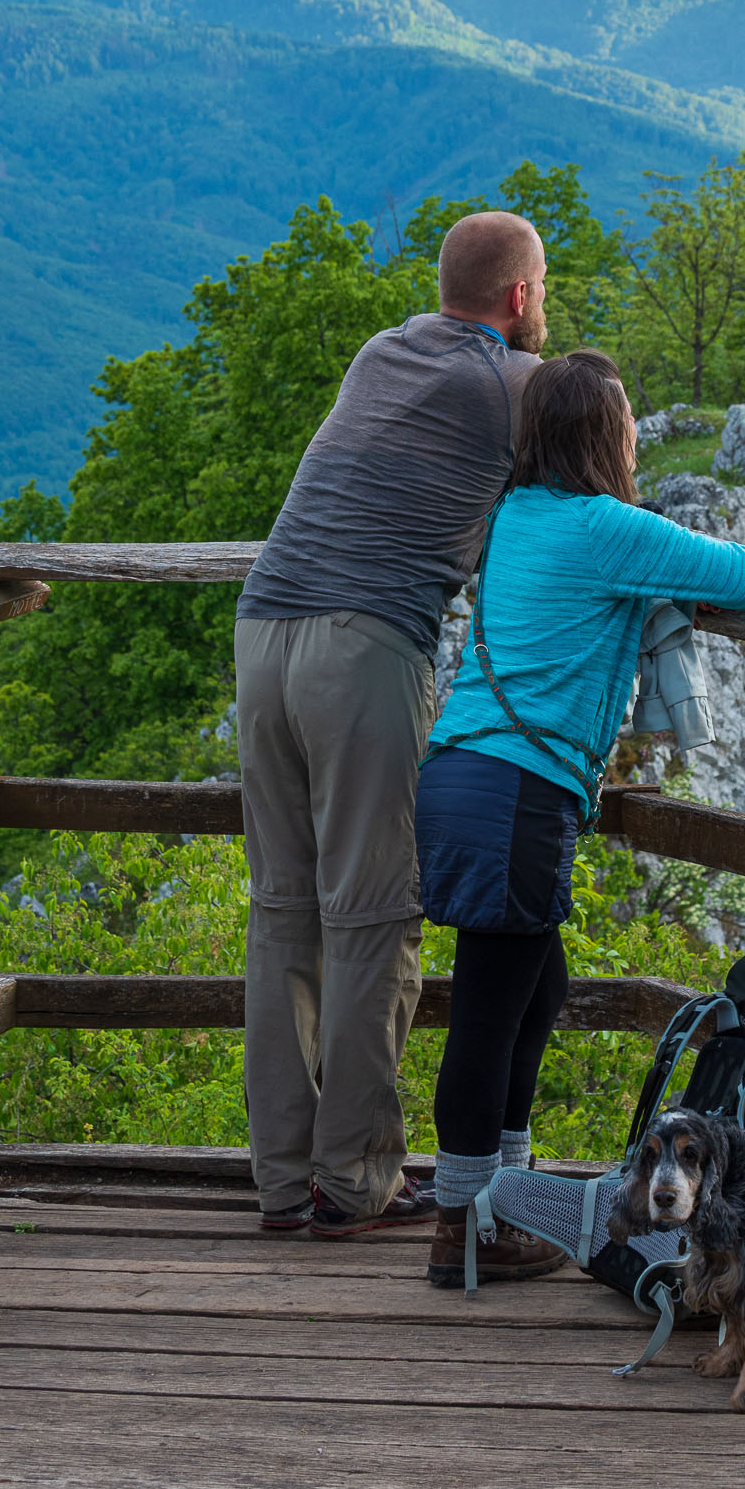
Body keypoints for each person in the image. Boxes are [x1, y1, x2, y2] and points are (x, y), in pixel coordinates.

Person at [415, 349, 745, 1286]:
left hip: (466, 771)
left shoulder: (517, 514)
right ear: (604, 437)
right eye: (625, 422)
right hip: (515, 791)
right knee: (492, 1014)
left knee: (534, 993)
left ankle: (507, 1202)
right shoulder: (605, 528)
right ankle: (464, 1229)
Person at [234, 210, 547, 1237]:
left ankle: (284, 1183)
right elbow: (587, 491)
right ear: (518, 298)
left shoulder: (381, 351)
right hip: (363, 647)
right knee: (372, 917)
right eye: (538, 292)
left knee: (284, 910)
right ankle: (357, 1181)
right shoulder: (512, 385)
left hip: (263, 631)